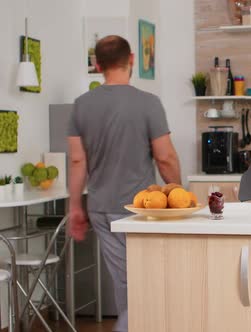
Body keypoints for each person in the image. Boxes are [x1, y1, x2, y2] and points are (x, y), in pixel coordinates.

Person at [67, 35, 181, 332]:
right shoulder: (148, 103)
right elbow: (165, 157)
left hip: (102, 208)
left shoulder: (81, 105)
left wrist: (76, 207)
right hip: (141, 208)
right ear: (131, 59)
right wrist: (178, 194)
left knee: (126, 281)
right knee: (146, 281)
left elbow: (78, 162)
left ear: (97, 65)